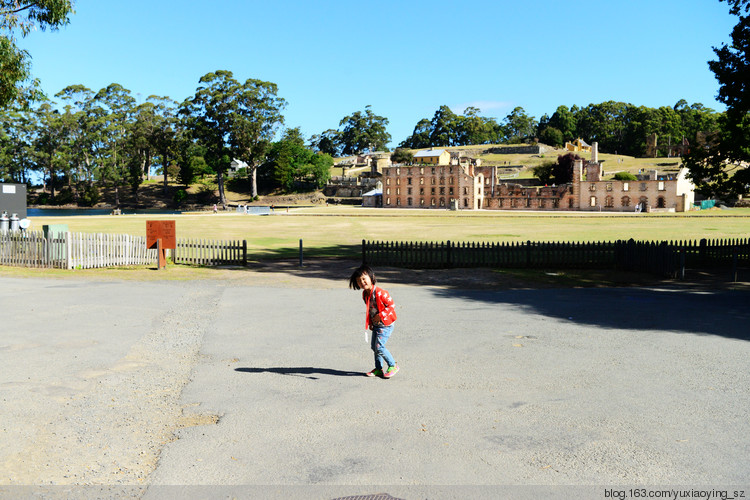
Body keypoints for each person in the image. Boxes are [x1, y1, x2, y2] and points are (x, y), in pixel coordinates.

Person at [349, 264, 399, 378]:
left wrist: (381, 315)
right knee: (374, 347)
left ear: (371, 278)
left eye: (364, 279)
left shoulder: (381, 293)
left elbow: (391, 305)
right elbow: (370, 310)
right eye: (358, 281)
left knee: (379, 347)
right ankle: (378, 368)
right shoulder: (365, 294)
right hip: (376, 324)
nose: (362, 282)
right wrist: (371, 323)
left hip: (386, 324)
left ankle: (393, 365)